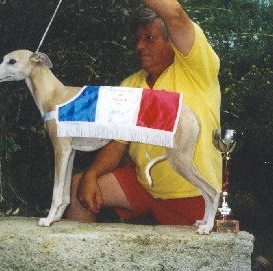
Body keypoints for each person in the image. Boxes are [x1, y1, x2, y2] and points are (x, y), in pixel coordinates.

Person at [65, 0, 222, 226]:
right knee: (78, 186)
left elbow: (175, 13)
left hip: (190, 194)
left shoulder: (197, 69)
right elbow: (117, 144)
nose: (139, 46)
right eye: (137, 39)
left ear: (172, 42)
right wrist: (90, 175)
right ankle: (81, 260)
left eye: (149, 38)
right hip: (142, 184)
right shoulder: (130, 84)